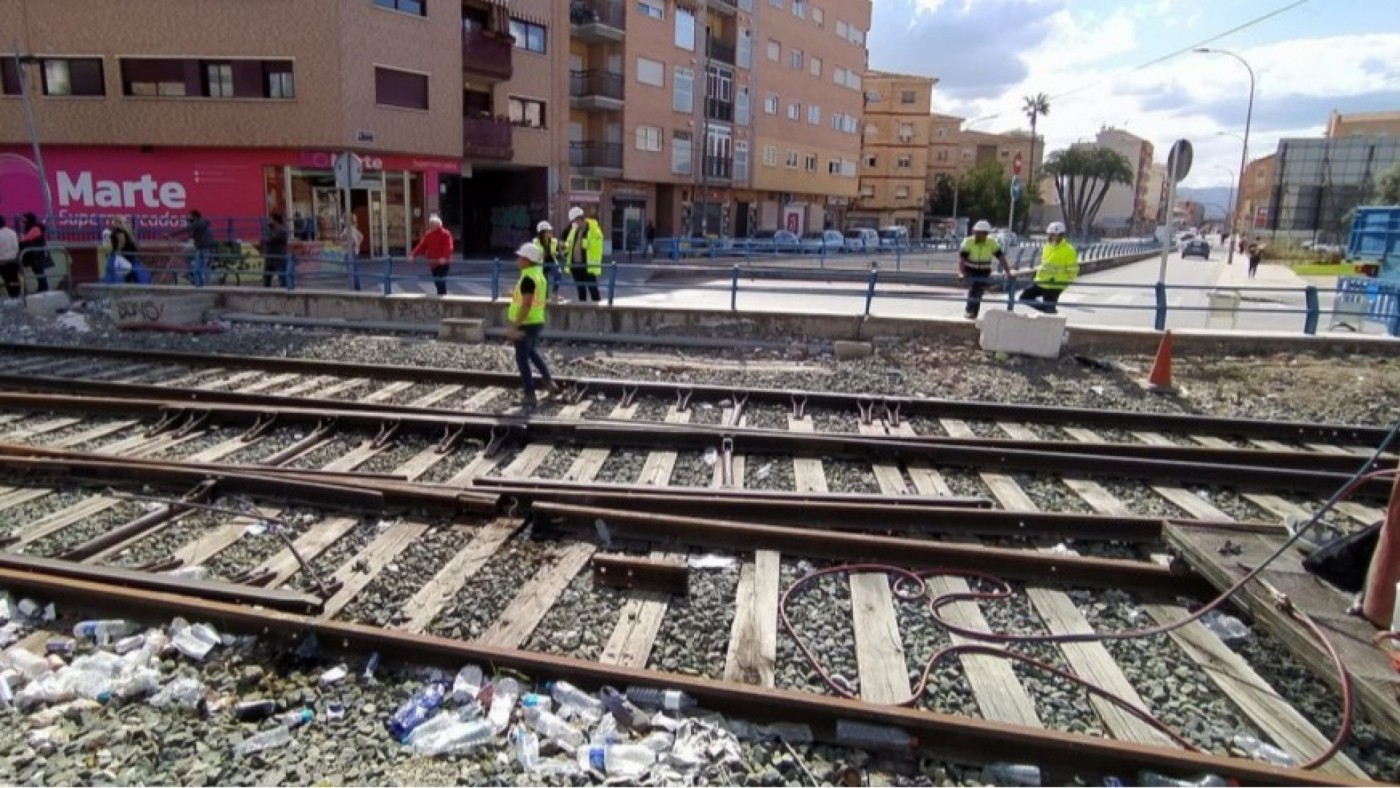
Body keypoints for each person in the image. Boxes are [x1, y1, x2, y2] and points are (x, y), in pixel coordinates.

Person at [506, 241, 562, 412]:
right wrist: (513, 294)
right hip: (536, 321)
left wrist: (515, 326)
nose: (517, 261)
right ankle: (549, 383)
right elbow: (533, 297)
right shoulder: (538, 275)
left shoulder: (528, 278)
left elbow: (527, 303)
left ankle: (529, 395)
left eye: (520, 257)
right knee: (532, 353)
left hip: (526, 323)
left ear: (527, 260)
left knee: (522, 359)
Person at [1018, 221, 1079, 314]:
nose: (1049, 236)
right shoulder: (1047, 246)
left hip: (1055, 285)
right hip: (1041, 281)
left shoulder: (1069, 250)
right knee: (1024, 297)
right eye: (1049, 234)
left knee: (1049, 309)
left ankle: (1049, 311)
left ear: (1059, 235)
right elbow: (1044, 263)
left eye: (1051, 234)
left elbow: (1073, 270)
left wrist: (1064, 281)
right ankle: (1048, 309)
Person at [958, 219, 1010, 319]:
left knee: (979, 291)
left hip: (984, 270)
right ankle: (969, 310)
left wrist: (1008, 271)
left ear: (986, 234)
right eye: (975, 233)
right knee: (975, 287)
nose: (976, 235)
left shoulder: (992, 243)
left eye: (979, 234)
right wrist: (961, 272)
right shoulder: (968, 242)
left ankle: (973, 313)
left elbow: (1001, 258)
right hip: (970, 269)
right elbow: (962, 259)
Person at [564, 206, 603, 303]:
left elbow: (598, 245)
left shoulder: (594, 229)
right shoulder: (574, 230)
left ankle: (597, 307)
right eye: (573, 222)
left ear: (581, 219)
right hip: (575, 265)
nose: (574, 224)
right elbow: (569, 243)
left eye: (575, 221)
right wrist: (565, 247)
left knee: (593, 289)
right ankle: (582, 306)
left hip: (588, 265)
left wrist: (585, 243)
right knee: (580, 289)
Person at [169, 210, 216, 286]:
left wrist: (170, 234)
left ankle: (206, 287)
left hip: (207, 249)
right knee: (196, 269)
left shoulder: (199, 223)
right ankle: (199, 286)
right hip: (201, 249)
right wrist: (179, 239)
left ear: (195, 217)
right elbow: (190, 235)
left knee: (205, 269)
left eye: (190, 216)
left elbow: (185, 229)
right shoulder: (199, 225)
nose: (188, 217)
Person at [411, 215, 454, 296]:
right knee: (437, 281)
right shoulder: (428, 235)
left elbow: (449, 247)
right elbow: (421, 246)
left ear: (438, 225)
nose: (430, 226)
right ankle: (441, 296)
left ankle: (442, 297)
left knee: (440, 281)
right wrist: (413, 255)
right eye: (430, 224)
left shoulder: (445, 234)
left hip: (443, 263)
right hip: (433, 262)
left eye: (432, 224)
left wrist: (444, 257)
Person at [18, 213, 49, 293]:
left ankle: (43, 288)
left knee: (39, 271)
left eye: (25, 220)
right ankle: (42, 287)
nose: (23, 222)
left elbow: (26, 239)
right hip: (34, 253)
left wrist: (22, 237)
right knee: (37, 271)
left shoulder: (35, 228)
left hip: (36, 254)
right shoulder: (31, 227)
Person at [535, 220, 563, 304]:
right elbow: (535, 253)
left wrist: (558, 253)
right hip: (541, 264)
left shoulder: (554, 241)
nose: (551, 232)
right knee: (543, 281)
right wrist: (541, 253)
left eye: (550, 231)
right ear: (542, 233)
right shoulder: (536, 242)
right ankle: (544, 297)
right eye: (548, 231)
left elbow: (559, 253)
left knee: (558, 274)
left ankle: (554, 293)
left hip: (551, 263)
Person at [261, 212, 291, 288]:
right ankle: (266, 291)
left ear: (276, 220)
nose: (269, 221)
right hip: (269, 257)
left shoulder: (282, 230)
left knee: (282, 278)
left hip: (279, 257)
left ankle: (284, 291)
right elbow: (264, 238)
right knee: (267, 278)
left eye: (270, 219)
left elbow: (270, 239)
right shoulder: (270, 229)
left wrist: (265, 239)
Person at [109, 218, 141, 284]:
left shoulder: (119, 230)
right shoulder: (126, 229)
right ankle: (134, 283)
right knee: (129, 268)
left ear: (116, 222)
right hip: (130, 251)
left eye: (112, 221)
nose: (111, 223)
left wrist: (117, 251)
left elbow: (122, 241)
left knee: (126, 269)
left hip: (125, 252)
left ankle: (129, 284)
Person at [0, 216, 20, 298]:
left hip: (2, 261)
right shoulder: (12, 232)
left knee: (7, 279)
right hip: (13, 259)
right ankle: (16, 297)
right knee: (13, 279)